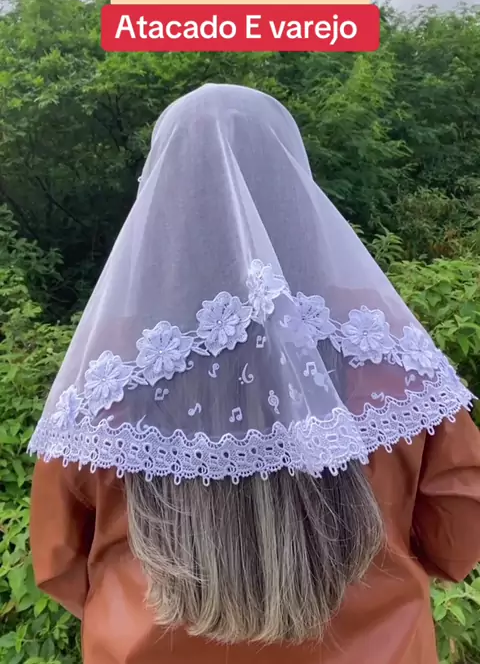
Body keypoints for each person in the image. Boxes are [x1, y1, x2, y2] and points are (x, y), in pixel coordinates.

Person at [29, 83, 480, 664]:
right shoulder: (377, 340)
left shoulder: (113, 363)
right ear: (297, 186)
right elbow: (458, 534)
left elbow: (59, 563)